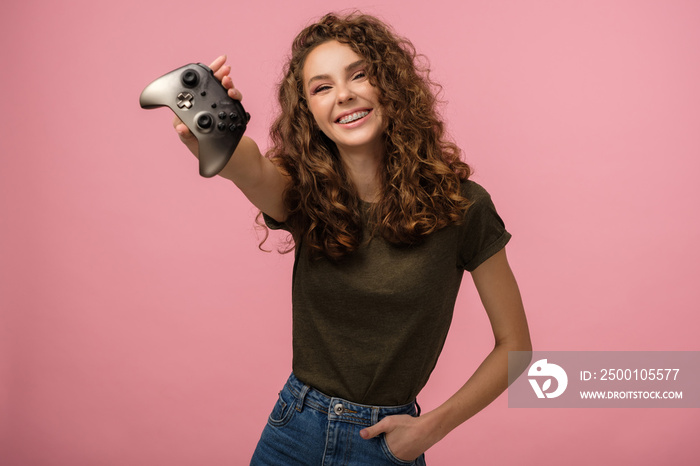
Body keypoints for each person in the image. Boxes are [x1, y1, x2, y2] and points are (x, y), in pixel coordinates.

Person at [173, 11, 531, 465]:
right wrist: (216, 130)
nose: (343, 95)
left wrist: (429, 428)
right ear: (310, 114)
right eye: (321, 88)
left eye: (359, 75)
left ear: (390, 86)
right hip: (292, 430)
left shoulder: (463, 206)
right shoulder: (302, 192)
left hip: (385, 445)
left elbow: (516, 347)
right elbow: (247, 166)